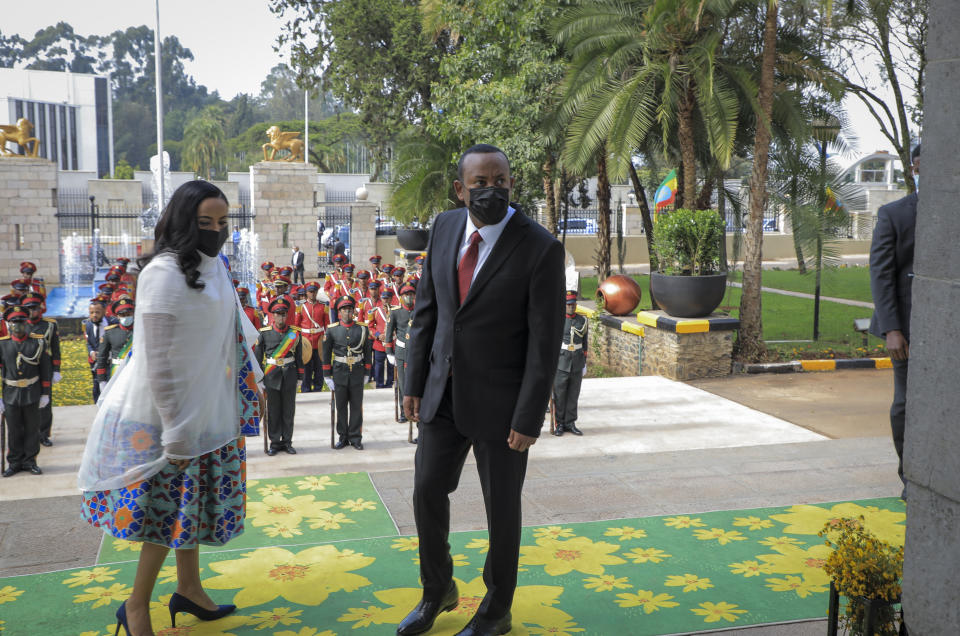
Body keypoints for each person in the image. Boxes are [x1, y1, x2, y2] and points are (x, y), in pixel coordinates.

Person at [77, 180, 264, 636]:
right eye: (205, 223)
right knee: (165, 517)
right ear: (183, 222)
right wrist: (176, 430)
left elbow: (232, 333)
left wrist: (252, 381)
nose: (216, 231)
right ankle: (136, 606)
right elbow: (157, 358)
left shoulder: (212, 265)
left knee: (190, 505)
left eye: (222, 222)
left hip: (205, 410)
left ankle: (189, 589)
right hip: (162, 415)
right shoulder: (161, 273)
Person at [399, 144, 564, 636]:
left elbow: (545, 341)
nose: (491, 190)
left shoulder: (540, 247)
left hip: (503, 405)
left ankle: (496, 608)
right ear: (460, 189)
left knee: (502, 510)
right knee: (426, 490)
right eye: (480, 183)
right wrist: (412, 381)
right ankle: (437, 590)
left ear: (512, 183)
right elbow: (428, 311)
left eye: (501, 181)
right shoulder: (446, 228)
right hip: (441, 395)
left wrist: (529, 415)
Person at [869, 143, 920, 501]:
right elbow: (882, 274)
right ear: (916, 167)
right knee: (905, 404)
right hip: (907, 329)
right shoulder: (894, 214)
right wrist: (892, 329)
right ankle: (910, 479)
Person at [1, 305, 52, 477]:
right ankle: (14, 463)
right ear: (9, 325)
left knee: (32, 429)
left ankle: (30, 461)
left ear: (26, 322)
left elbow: (45, 369)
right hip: (11, 393)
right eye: (14, 322)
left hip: (32, 392)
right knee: (14, 430)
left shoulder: (37, 342)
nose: (18, 325)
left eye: (21, 321)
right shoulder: (3, 344)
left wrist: (45, 393)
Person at [255, 297, 304, 455]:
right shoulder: (264, 334)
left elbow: (299, 357)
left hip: (289, 375)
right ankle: (275, 442)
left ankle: (287, 441)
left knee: (288, 410)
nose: (281, 317)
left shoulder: (294, 333)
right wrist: (260, 379)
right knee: (273, 411)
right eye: (278, 314)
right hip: (271, 376)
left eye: (283, 314)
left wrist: (300, 377)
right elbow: (258, 358)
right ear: (273, 316)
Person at [322, 296, 372, 450]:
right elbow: (326, 353)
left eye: (350, 309)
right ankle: (343, 436)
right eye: (344, 309)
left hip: (357, 370)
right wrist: (327, 375)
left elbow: (368, 352)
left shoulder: (362, 329)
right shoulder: (332, 330)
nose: (347, 312)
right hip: (340, 372)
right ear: (339, 312)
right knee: (341, 406)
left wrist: (367, 372)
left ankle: (356, 437)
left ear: (353, 311)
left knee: (356, 406)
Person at [22, 293, 59, 447]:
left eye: (35, 308)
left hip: (45, 369)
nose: (32, 311)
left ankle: (44, 434)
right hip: (26, 369)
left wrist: (57, 369)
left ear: (40, 308)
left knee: (45, 403)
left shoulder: (49, 325)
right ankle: (29, 434)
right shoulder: (20, 325)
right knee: (27, 403)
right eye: (29, 308)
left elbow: (55, 349)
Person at [552, 292, 588, 437]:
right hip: (561, 362)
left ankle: (570, 422)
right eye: (568, 305)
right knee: (560, 394)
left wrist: (584, 360)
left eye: (573, 304)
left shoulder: (582, 321)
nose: (571, 307)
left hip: (577, 361)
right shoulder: (558, 320)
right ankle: (559, 423)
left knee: (573, 394)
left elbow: (585, 342)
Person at [385, 283, 416, 424]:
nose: (408, 297)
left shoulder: (419, 311)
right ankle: (404, 411)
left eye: (411, 294)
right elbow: (388, 333)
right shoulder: (395, 312)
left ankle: (415, 409)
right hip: (401, 352)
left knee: (415, 382)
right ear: (401, 297)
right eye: (406, 295)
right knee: (403, 384)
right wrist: (389, 352)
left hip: (416, 352)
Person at [96, 299, 136, 389]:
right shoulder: (110, 332)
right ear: (117, 316)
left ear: (133, 314)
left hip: (137, 373)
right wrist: (101, 380)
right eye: (122, 315)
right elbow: (102, 357)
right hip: (117, 372)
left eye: (128, 314)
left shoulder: (140, 330)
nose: (126, 317)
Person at [298, 282, 329, 392]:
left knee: (319, 368)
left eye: (314, 291)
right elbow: (297, 326)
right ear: (306, 293)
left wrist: (327, 339)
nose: (312, 294)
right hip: (306, 341)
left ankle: (318, 388)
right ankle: (305, 389)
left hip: (319, 341)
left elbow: (327, 325)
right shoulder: (301, 307)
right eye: (310, 292)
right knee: (306, 369)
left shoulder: (323, 306)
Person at [83, 300, 108, 403]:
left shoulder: (111, 323)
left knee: (107, 383)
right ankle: (97, 404)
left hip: (108, 359)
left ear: (104, 311)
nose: (94, 315)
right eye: (91, 312)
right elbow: (88, 342)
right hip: (94, 360)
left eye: (97, 312)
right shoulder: (88, 325)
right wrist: (92, 352)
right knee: (96, 383)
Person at [371, 288, 395, 389]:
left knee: (391, 366)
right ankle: (379, 385)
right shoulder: (376, 311)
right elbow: (370, 326)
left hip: (392, 342)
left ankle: (389, 384)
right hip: (379, 343)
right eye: (384, 298)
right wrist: (377, 335)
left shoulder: (395, 310)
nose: (385, 300)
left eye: (387, 298)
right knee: (379, 366)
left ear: (391, 299)